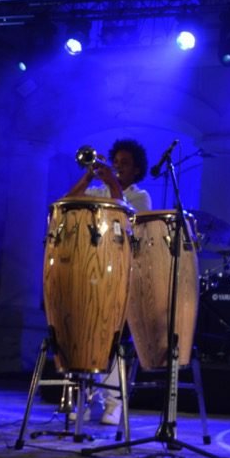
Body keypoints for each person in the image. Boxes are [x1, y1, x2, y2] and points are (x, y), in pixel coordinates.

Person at [66, 138, 151, 425]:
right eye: (116, 161)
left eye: (124, 163)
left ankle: (114, 403)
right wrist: (88, 175)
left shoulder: (141, 196)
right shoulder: (97, 190)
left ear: (137, 169)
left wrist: (112, 182)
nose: (117, 166)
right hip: (93, 268)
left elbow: (124, 215)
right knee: (87, 333)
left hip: (122, 272)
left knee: (112, 336)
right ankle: (86, 399)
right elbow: (69, 201)